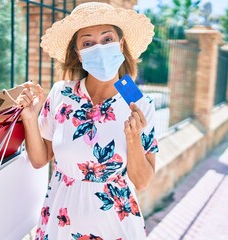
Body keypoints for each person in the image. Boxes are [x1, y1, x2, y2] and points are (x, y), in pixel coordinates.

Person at [17, 2, 159, 239]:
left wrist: (133, 138)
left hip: (115, 225)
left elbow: (142, 182)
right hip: (60, 220)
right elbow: (40, 159)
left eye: (107, 39)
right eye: (88, 43)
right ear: (78, 53)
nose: (99, 48)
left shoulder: (140, 104)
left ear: (120, 44)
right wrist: (30, 118)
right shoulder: (62, 93)